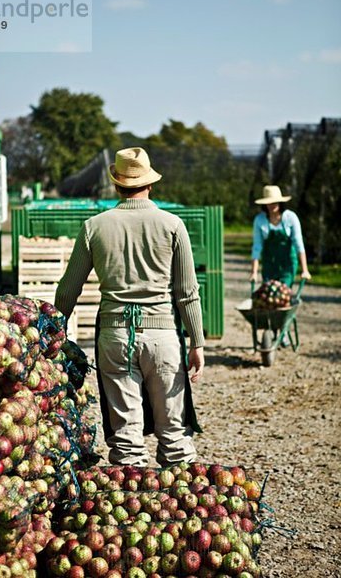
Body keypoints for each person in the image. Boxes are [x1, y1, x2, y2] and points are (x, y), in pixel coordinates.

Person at [55, 147, 205, 467]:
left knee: (126, 439)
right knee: (174, 434)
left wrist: (54, 330)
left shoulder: (94, 226)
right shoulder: (172, 225)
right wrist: (197, 342)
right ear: (150, 183)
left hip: (115, 336)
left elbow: (69, 288)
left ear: (116, 184)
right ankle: (178, 504)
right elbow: (187, 291)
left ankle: (132, 506)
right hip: (163, 337)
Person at [251, 185, 311, 286]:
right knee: (269, 292)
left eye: (274, 202)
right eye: (268, 203)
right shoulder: (259, 220)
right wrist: (254, 272)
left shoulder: (290, 218)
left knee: (283, 292)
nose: (272, 205)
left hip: (287, 263)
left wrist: (305, 270)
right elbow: (257, 247)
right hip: (269, 264)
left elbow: (298, 244)